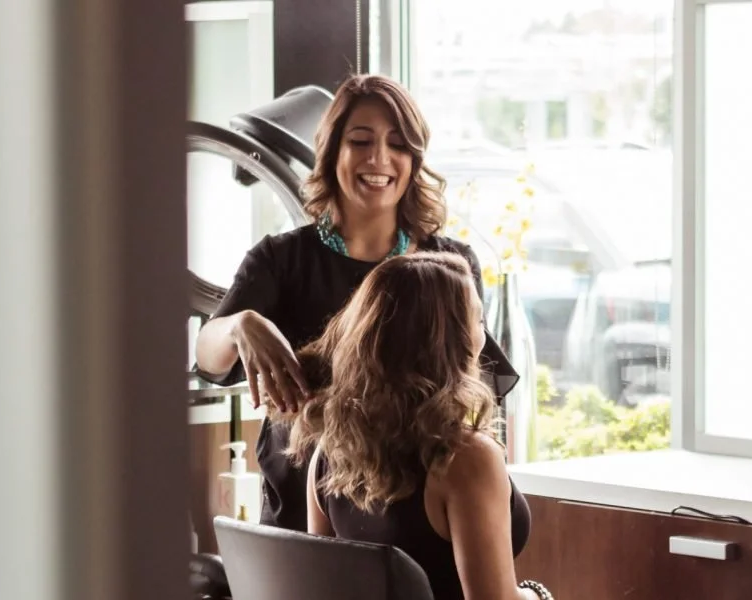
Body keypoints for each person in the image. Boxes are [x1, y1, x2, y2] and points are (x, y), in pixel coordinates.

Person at [194, 73, 518, 532]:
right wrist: (238, 324)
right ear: (331, 152)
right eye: (360, 141)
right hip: (300, 514)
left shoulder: (449, 265)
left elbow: (473, 388)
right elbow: (208, 356)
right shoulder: (283, 260)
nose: (379, 159)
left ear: (415, 159)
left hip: (414, 522)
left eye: (398, 144)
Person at [278, 252, 550, 600]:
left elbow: (325, 590)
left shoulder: (328, 453)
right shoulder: (465, 458)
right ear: (448, 342)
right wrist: (538, 595)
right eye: (478, 322)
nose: (485, 338)